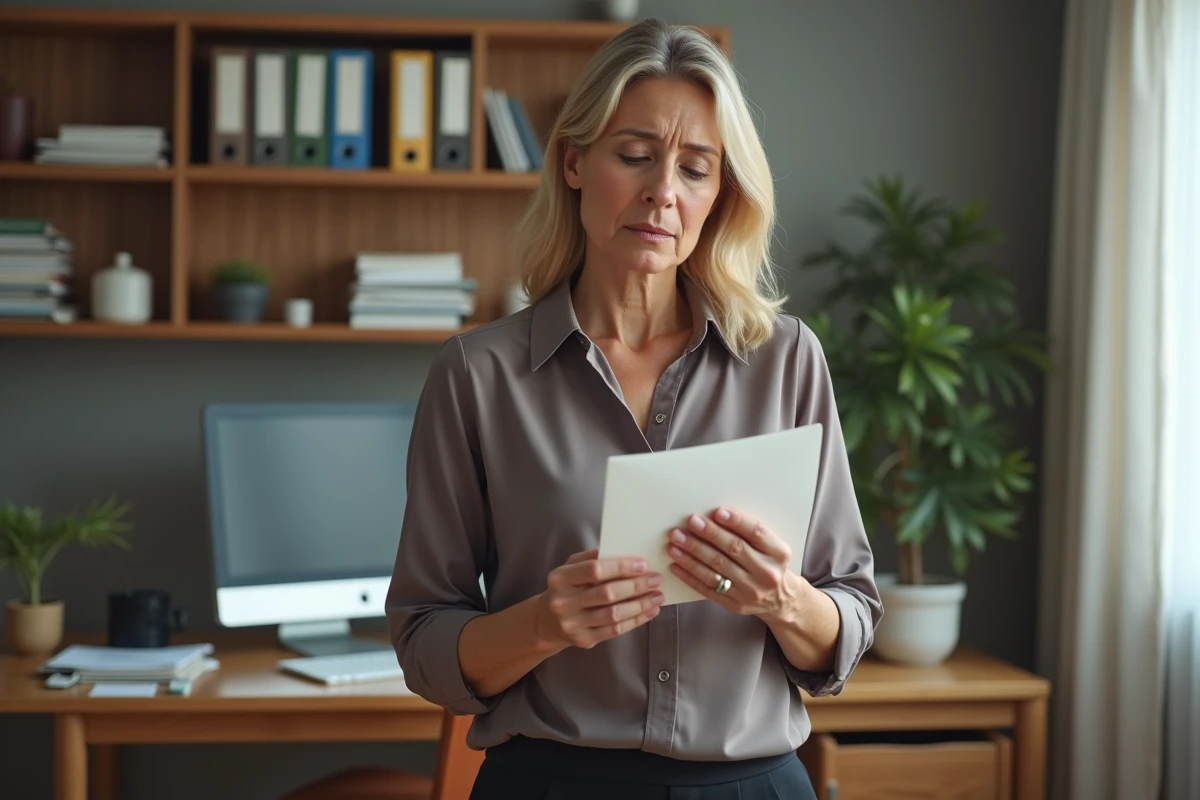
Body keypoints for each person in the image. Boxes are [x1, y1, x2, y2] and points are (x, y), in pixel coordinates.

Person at [386, 17, 882, 799]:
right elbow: (422, 640)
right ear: (576, 161)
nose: (662, 194)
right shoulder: (477, 375)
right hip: (549, 782)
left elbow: (851, 612)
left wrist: (780, 599)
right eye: (636, 156)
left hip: (753, 785)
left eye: (695, 168)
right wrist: (544, 624)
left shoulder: (787, 360)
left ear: (722, 193)